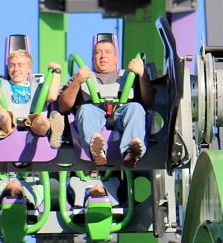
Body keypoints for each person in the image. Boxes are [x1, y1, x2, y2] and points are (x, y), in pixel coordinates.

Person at [57, 39, 155, 168]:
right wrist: (77, 82)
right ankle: (95, 150)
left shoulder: (130, 76)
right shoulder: (82, 76)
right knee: (85, 110)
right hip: (94, 115)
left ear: (116, 58)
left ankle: (131, 151)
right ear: (93, 59)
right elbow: (63, 107)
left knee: (136, 108)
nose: (103, 56)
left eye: (108, 52)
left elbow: (149, 101)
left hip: (123, 113)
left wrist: (142, 74)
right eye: (98, 52)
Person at [0, 49, 64, 147]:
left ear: (29, 69)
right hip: (9, 124)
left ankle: (54, 132)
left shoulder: (39, 86)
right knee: (4, 115)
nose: (15, 69)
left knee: (40, 120)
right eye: (12, 65)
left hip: (32, 122)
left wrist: (57, 70)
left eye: (20, 65)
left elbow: (52, 96)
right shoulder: (1, 84)